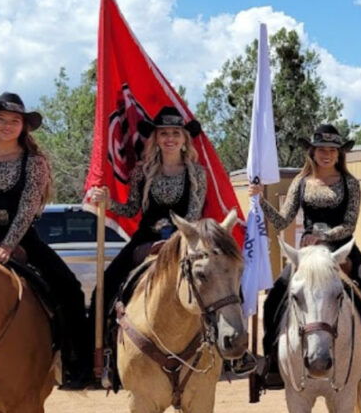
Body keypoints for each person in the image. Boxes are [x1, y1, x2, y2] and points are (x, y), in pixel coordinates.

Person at [87, 107, 256, 375]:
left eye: (175, 133)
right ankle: (98, 355)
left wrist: (177, 240)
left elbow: (193, 211)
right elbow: (132, 209)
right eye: (163, 133)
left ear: (184, 139)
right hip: (146, 238)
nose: (170, 138)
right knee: (103, 288)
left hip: (187, 238)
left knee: (224, 279)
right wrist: (107, 203)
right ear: (155, 138)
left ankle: (235, 348)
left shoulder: (196, 172)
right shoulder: (142, 171)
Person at [0, 92, 92, 388]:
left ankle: (75, 365)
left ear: (23, 127)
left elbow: (28, 207)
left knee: (70, 289)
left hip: (20, 236)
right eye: (2, 119)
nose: (7, 125)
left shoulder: (34, 162)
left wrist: (7, 245)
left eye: (14, 121)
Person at [249, 124, 361, 388]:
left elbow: (350, 224)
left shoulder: (350, 183)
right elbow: (283, 221)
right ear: (312, 152)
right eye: (322, 149)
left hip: (343, 249)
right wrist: (260, 201)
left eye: (332, 150)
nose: (327, 154)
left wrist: (325, 236)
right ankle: (273, 362)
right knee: (276, 296)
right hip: (308, 254)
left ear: (340, 153)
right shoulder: (300, 182)